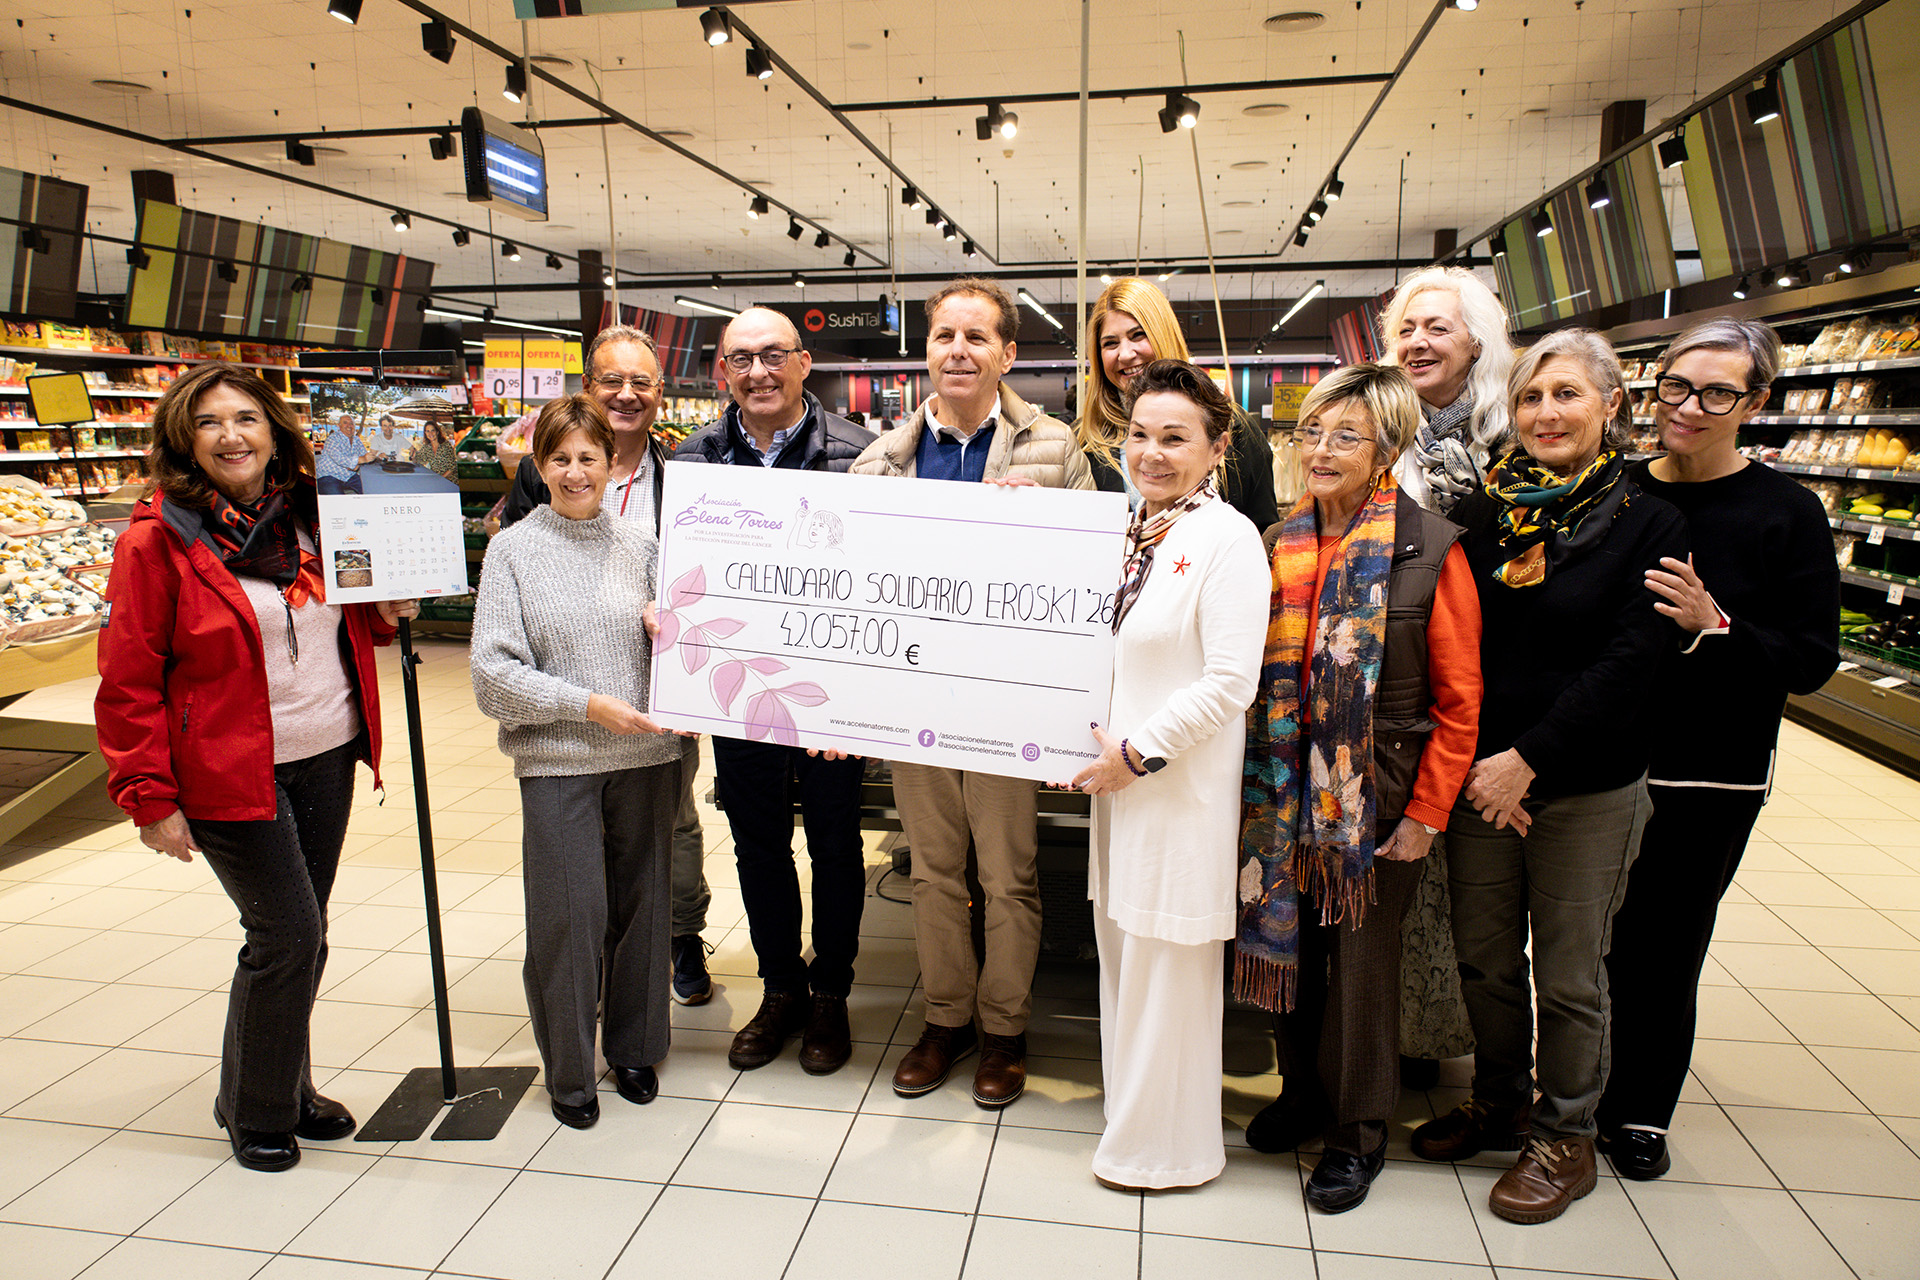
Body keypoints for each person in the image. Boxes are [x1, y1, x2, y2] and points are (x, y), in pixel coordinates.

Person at [94, 363, 415, 1172]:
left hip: (328, 751)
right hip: (229, 767)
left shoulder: (314, 515)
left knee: (304, 931)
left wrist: (390, 606)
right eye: (209, 423)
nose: (231, 435)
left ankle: (284, 1084)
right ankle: (256, 1109)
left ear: (274, 429)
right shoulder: (155, 539)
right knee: (286, 933)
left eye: (246, 418)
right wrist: (148, 797)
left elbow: (355, 625)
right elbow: (128, 679)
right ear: (184, 440)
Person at [1410, 328, 1687, 1225]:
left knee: (1570, 973)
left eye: (1567, 395)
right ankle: (1501, 1100)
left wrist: (1529, 763)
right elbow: (1461, 647)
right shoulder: (1489, 512)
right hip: (1483, 778)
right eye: (1531, 397)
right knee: (1486, 962)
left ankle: (1566, 1137)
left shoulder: (1651, 519)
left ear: (1612, 406)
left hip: (1585, 783)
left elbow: (1630, 660)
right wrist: (1488, 768)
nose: (1546, 413)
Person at [1238, 363, 1483, 1212]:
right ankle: (1302, 1093)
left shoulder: (1431, 547)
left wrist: (1426, 813)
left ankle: (1358, 1132)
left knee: (1364, 969)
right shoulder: (1276, 542)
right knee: (1288, 946)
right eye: (1311, 431)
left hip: (1374, 801)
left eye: (1346, 435)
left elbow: (1460, 701)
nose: (1321, 449)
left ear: (1387, 449)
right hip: (1278, 795)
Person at [1597, 319, 1839, 1178]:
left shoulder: (1785, 513)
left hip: (1709, 772)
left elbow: (1811, 660)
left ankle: (1640, 1112)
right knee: (1584, 940)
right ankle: (1573, 1091)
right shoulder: (1613, 490)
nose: (1688, 408)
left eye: (1716, 393)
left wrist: (1715, 627)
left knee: (1665, 941)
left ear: (1756, 403)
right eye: (1674, 387)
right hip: (1600, 763)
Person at [850, 276, 1093, 1108]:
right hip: (916, 702)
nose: (959, 350)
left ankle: (1005, 1030)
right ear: (927, 351)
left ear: (1007, 354)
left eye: (977, 337)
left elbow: (1098, 578)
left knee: (1009, 877)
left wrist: (1044, 529)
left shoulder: (1055, 450)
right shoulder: (880, 461)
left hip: (1005, 704)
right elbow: (851, 586)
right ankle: (946, 1020)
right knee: (931, 874)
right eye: (945, 336)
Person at [1068, 360, 1267, 1188]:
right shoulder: (1125, 527)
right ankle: (1133, 1120)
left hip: (1174, 790)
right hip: (1118, 795)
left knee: (1169, 967)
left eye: (1175, 438)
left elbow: (1230, 682)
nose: (1152, 453)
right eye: (1138, 435)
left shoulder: (1227, 538)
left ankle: (1168, 1149)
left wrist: (1137, 753)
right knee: (1124, 954)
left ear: (1216, 447)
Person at [471, 394, 685, 1129]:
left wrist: (676, 636)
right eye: (558, 459)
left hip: (648, 756)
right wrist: (589, 705)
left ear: (609, 462)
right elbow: (492, 677)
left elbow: (690, 649)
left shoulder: (643, 547)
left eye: (587, 458)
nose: (573, 472)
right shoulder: (512, 551)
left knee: (641, 909)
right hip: (559, 760)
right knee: (569, 916)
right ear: (539, 465)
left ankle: (635, 1047)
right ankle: (569, 1071)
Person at [673, 307, 876, 1074]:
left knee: (834, 844)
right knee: (758, 844)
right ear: (722, 372)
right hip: (737, 687)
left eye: (772, 356)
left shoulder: (859, 455)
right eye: (740, 359)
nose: (757, 372)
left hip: (831, 694)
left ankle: (831, 996)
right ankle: (780, 987)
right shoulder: (694, 460)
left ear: (803, 363)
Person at [502, 325, 716, 1007]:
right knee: (578, 834)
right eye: (611, 380)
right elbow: (517, 564)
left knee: (671, 822)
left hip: (657, 691)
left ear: (660, 392)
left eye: (641, 382)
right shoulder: (541, 476)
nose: (626, 394)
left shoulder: (682, 478)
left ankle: (680, 934)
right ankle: (596, 955)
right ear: (588, 388)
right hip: (570, 696)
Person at [1376, 265, 1515, 1089]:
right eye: (1408, 329)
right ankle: (1407, 1039)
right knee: (1410, 880)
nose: (1420, 341)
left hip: (1491, 682)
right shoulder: (1379, 429)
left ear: (1477, 342)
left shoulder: (1511, 436)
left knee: (1477, 891)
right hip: (1400, 683)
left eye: (1439, 327)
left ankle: (1476, 1061)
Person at [1074, 277, 1279, 529]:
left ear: (1162, 334)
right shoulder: (1084, 439)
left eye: (1138, 335)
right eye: (1110, 343)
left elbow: (1264, 530)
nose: (1125, 354)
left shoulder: (1233, 427)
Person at [314, 410, 365, 494]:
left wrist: (361, 462)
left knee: (370, 488)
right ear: (339, 426)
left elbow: (365, 455)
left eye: (351, 423)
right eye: (345, 423)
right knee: (338, 502)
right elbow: (339, 459)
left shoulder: (356, 439)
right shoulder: (333, 438)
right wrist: (360, 461)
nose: (349, 425)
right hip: (329, 476)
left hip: (349, 476)